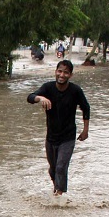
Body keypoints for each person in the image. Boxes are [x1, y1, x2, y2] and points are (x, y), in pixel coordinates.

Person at [27, 59, 91, 196]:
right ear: (55, 72)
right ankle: (57, 188)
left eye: (66, 73)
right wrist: (40, 98)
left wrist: (85, 130)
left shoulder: (75, 90)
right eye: (60, 71)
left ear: (70, 75)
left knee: (61, 167)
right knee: (53, 169)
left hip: (68, 137)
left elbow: (86, 108)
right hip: (51, 137)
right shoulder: (48, 88)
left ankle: (59, 196)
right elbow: (30, 97)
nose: (62, 75)